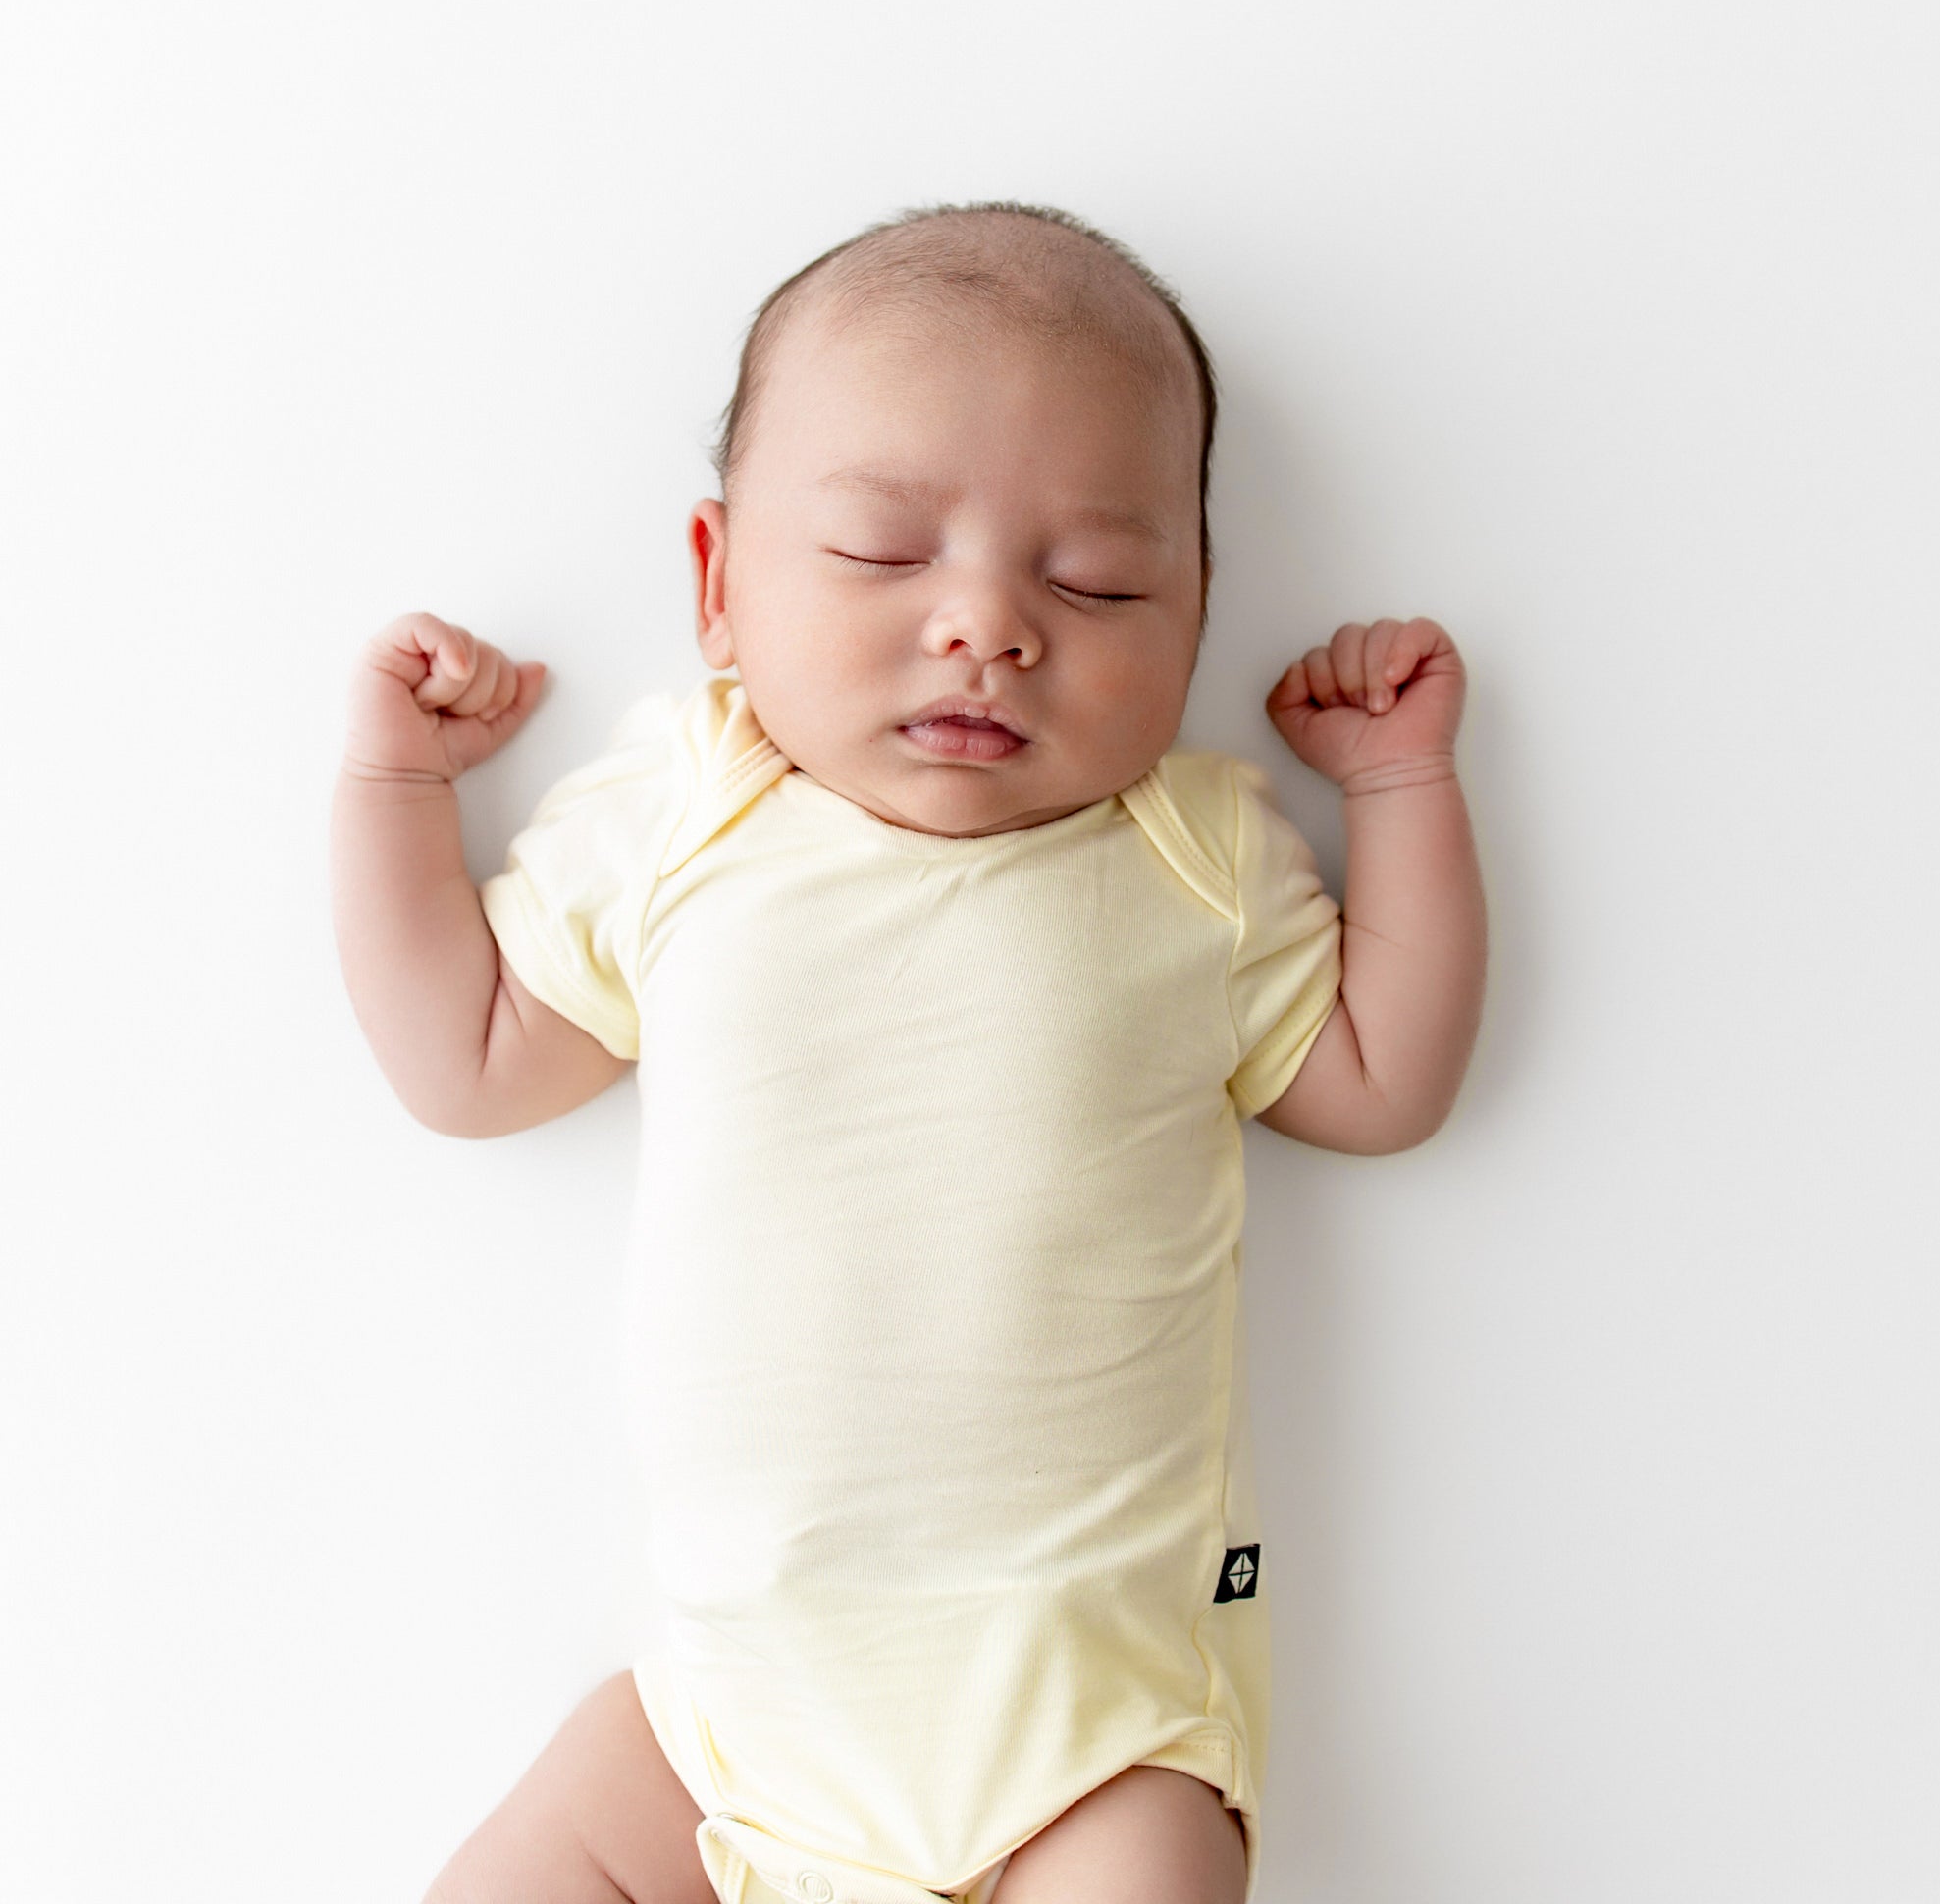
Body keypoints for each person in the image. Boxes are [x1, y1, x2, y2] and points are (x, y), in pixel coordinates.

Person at [331, 200, 1487, 1904]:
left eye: (1095, 581)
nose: (987, 627)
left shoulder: (1192, 859)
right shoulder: (692, 818)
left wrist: (1400, 792)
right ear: (719, 588)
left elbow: (1385, 1082)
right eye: (882, 555)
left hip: (1094, 1732)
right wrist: (392, 790)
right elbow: (468, 1059)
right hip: (724, 1720)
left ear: (1196, 610)